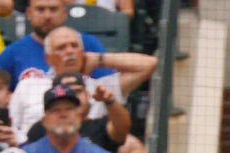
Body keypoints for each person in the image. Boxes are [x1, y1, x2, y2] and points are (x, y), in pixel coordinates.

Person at [9, 26, 156, 143]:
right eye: (62, 48)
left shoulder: (100, 87)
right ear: (48, 58)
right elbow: (12, 125)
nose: (70, 52)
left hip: (90, 151)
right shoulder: (29, 85)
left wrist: (100, 59)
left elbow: (150, 64)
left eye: (74, 46)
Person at [0, 0, 114, 85]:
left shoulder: (88, 44)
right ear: (29, 14)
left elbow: (111, 84)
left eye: (53, 9)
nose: (47, 16)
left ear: (64, 13)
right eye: (40, 9)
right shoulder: (12, 53)